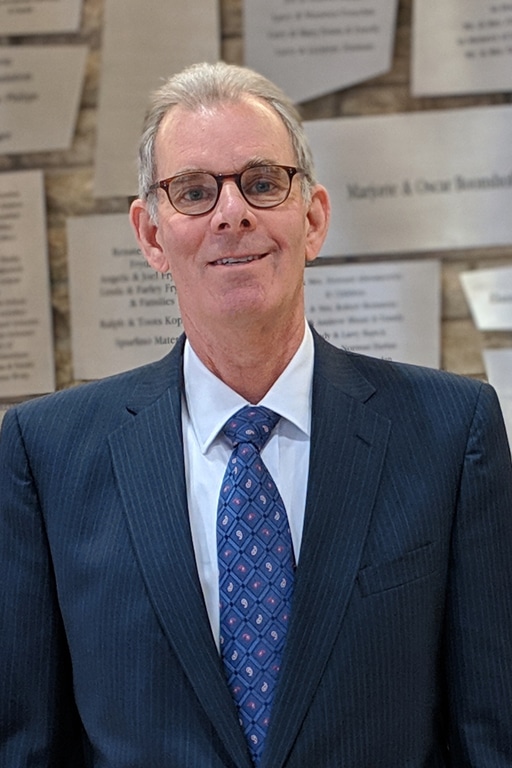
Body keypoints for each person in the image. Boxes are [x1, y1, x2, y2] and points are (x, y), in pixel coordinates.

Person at [1, 61, 512, 768]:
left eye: (263, 182)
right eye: (194, 191)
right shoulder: (47, 453)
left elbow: (492, 735)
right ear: (151, 236)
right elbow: (26, 745)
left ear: (313, 218)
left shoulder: (452, 434)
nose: (231, 213)